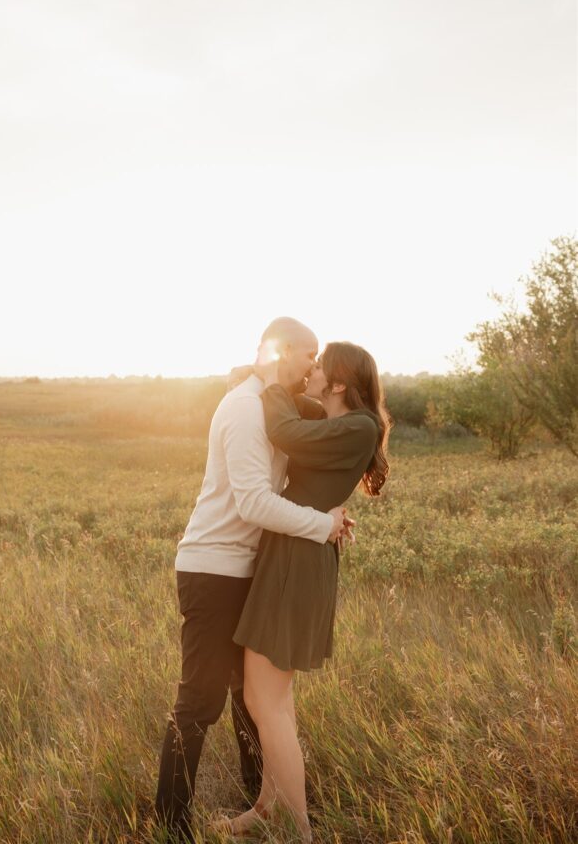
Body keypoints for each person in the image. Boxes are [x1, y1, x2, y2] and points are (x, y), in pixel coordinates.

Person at [154, 318, 353, 844]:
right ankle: (169, 825)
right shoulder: (244, 409)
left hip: (247, 569)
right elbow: (253, 501)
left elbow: (329, 422)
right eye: (308, 354)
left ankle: (260, 806)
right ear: (281, 350)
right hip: (213, 568)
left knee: (252, 696)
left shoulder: (273, 402)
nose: (314, 364)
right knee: (200, 701)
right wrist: (324, 526)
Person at [212, 341, 391, 842]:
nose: (309, 371)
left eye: (319, 366)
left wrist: (266, 385)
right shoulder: (334, 417)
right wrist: (251, 376)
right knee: (269, 696)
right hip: (293, 552)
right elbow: (296, 409)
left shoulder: (357, 426)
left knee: (266, 700)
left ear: (337, 382)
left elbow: (283, 428)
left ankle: (298, 827)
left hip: (298, 558)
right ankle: (269, 806)